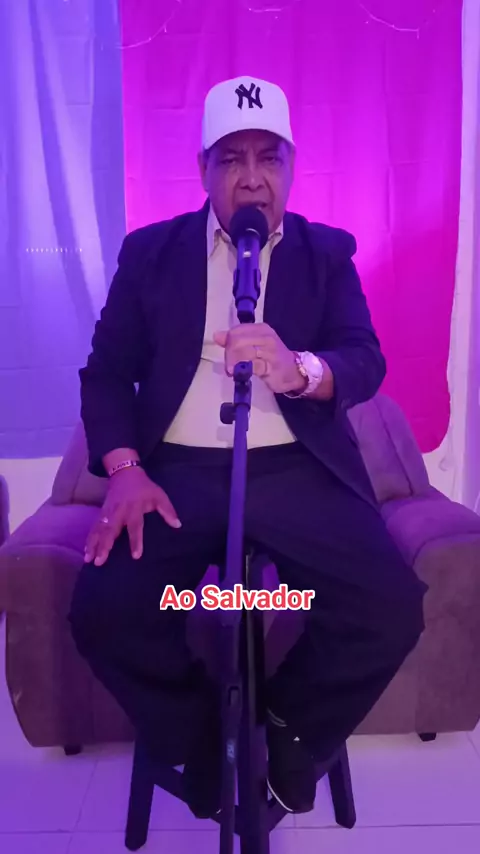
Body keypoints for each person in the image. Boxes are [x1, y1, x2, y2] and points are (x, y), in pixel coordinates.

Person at [68, 76, 427, 819]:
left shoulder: (326, 253)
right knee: (103, 611)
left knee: (391, 607)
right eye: (232, 159)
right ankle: (204, 747)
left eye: (269, 157)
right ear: (203, 169)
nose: (253, 178)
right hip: (175, 472)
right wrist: (125, 470)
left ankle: (287, 738)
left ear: (292, 166)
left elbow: (363, 358)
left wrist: (302, 370)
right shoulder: (150, 254)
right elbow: (105, 375)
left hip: (298, 468)